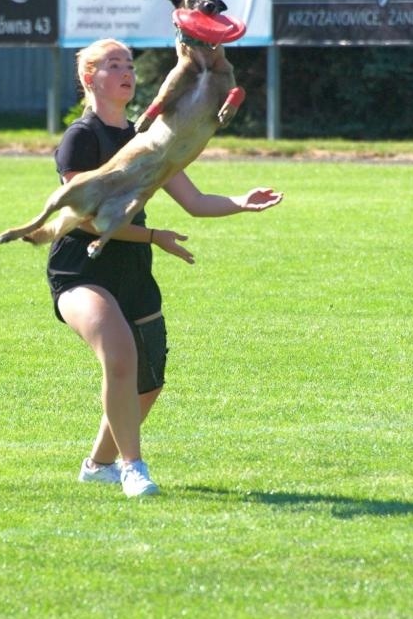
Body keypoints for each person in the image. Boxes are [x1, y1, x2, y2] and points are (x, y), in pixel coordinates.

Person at [47, 38, 283, 499]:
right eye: (113, 65)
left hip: (133, 266)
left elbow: (194, 201)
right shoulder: (81, 138)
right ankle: (133, 468)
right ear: (89, 77)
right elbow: (86, 218)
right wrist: (154, 236)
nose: (126, 72)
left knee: (148, 383)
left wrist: (240, 201)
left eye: (129, 65)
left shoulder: (147, 136)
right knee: (120, 356)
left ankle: (98, 465)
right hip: (81, 265)